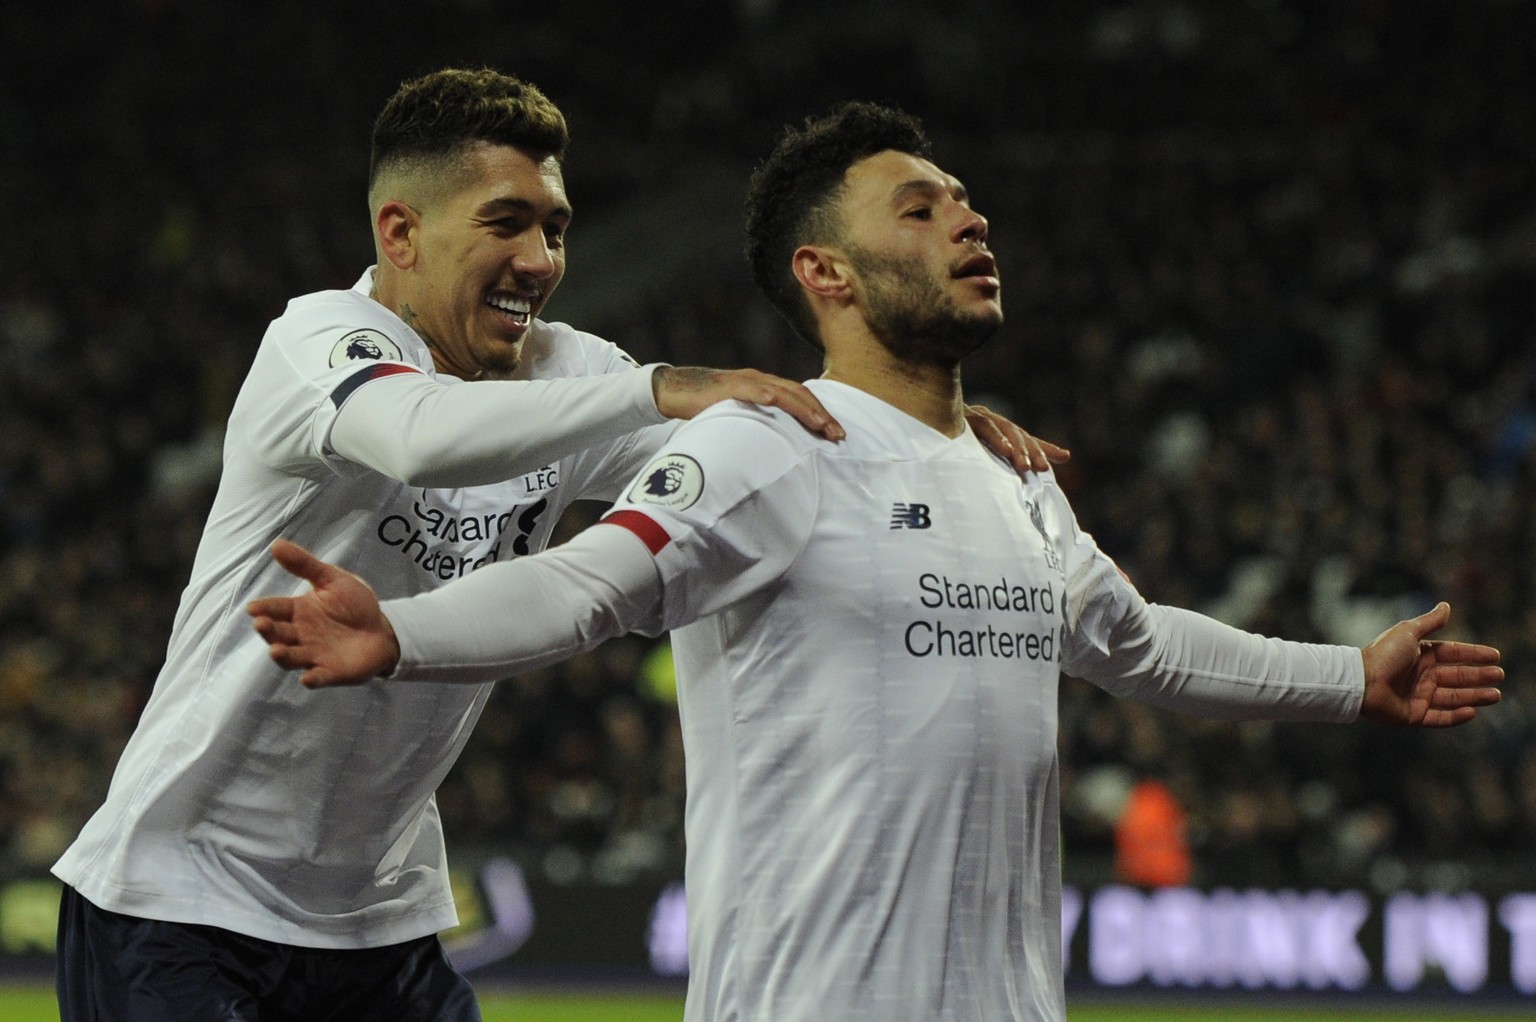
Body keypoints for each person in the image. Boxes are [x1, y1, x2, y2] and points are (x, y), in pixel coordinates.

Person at [248, 101, 1503, 1022]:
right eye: (923, 205)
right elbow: (593, 582)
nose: (970, 217)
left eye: (965, 200)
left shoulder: (1016, 480)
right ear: (824, 272)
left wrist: (1353, 674)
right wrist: (403, 633)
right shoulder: (765, 442)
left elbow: (1140, 641)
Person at [47, 68, 1053, 1022]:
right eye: (507, 222)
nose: (542, 258)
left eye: (557, 226)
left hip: (374, 914)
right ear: (400, 232)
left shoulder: (568, 368)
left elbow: (769, 472)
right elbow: (417, 435)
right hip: (178, 896)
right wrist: (655, 384)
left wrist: (932, 432)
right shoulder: (319, 341)